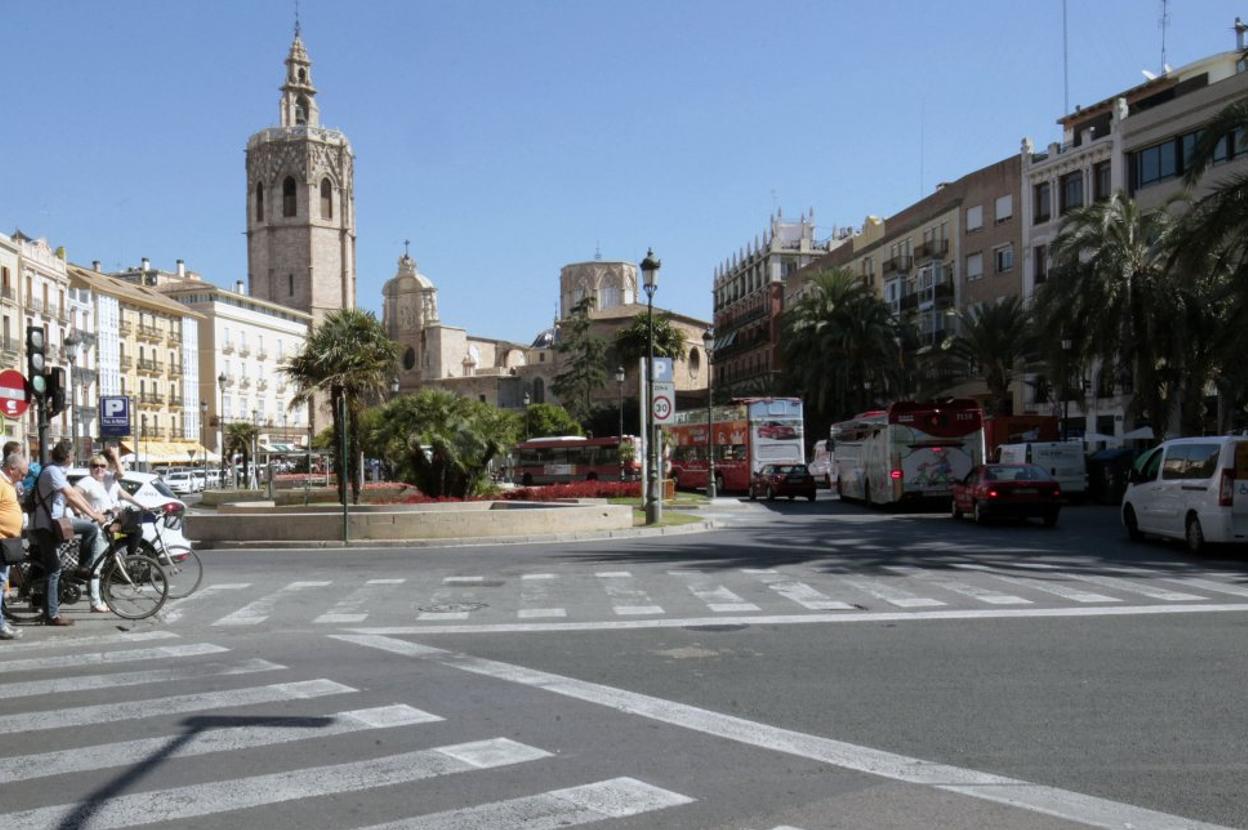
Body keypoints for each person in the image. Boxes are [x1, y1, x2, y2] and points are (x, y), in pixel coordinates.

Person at [31, 441, 107, 626]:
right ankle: (52, 615)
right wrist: (93, 514)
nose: (73, 458)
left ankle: (83, 566)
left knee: (90, 528)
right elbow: (70, 495)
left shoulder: (56, 470)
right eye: (73, 455)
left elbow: (74, 494)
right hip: (47, 525)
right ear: (68, 457)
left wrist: (93, 512)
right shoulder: (53, 472)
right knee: (54, 570)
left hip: (57, 522)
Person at [75, 453, 144, 613]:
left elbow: (121, 478)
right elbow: (72, 495)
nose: (98, 469)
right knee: (96, 567)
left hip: (110, 526)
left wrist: (115, 455)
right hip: (97, 528)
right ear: (90, 468)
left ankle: (117, 567)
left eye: (102, 466)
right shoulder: (87, 481)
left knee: (135, 533)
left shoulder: (107, 480)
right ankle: (95, 602)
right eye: (94, 466)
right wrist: (80, 513)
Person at [0, 451, 26, 640]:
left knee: (1, 583)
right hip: (1, 541)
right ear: (11, 469)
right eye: (22, 474)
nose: (23, 478)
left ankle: (1, 621)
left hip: (7, 541)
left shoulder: (9, 484)